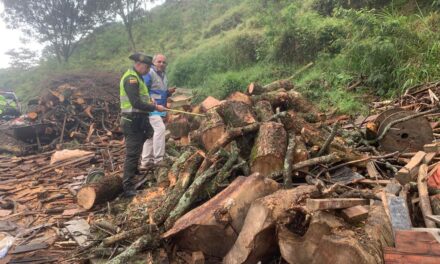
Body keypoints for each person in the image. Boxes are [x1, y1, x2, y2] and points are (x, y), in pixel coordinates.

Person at [120, 52, 166, 197]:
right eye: (146, 68)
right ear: (139, 65)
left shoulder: (138, 77)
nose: (148, 71)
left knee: (143, 141)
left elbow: (143, 98)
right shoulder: (131, 79)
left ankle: (134, 171)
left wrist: (151, 102)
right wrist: (154, 108)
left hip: (139, 119)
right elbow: (135, 102)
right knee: (132, 153)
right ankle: (127, 186)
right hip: (131, 120)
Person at [140, 54, 175, 168]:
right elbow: (143, 90)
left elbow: (160, 92)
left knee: (151, 134)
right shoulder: (149, 73)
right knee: (160, 129)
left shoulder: (164, 75)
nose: (161, 64)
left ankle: (145, 162)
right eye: (159, 62)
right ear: (153, 63)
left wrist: (168, 92)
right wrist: (150, 102)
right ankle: (158, 160)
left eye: (164, 62)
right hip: (151, 107)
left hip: (160, 107)